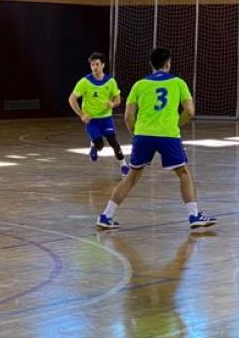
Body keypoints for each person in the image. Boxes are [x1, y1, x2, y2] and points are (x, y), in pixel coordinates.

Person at [98, 48, 217, 231]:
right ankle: (194, 215)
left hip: (143, 134)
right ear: (168, 64)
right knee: (184, 173)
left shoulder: (139, 85)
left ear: (151, 64)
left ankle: (106, 215)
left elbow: (128, 116)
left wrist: (136, 135)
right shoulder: (178, 83)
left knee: (131, 176)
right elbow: (190, 111)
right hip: (168, 135)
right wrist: (177, 124)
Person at [68, 52, 124, 163]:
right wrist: (82, 115)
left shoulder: (111, 81)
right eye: (92, 65)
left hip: (106, 118)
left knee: (114, 142)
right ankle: (94, 144)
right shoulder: (85, 82)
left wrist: (113, 104)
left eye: (97, 64)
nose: (95, 67)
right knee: (100, 145)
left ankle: (124, 165)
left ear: (103, 65)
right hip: (92, 119)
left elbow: (118, 99)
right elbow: (72, 99)